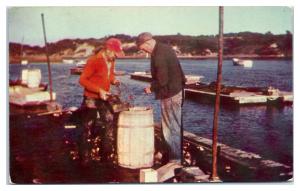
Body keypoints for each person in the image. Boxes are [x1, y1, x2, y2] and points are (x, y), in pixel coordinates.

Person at [136, 32, 186, 165]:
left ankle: (175, 160)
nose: (143, 51)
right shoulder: (164, 48)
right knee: (175, 125)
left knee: (170, 127)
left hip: (170, 93)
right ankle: (175, 155)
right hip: (176, 90)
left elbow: (162, 80)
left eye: (142, 48)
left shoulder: (159, 54)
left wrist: (151, 88)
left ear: (147, 43)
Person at [78, 38, 124, 165]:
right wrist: (99, 90)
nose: (116, 56)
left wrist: (114, 80)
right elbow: (82, 80)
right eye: (115, 53)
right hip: (91, 98)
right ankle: (85, 158)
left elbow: (110, 75)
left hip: (104, 97)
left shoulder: (111, 60)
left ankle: (106, 156)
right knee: (87, 126)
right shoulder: (94, 61)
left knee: (109, 120)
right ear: (108, 50)